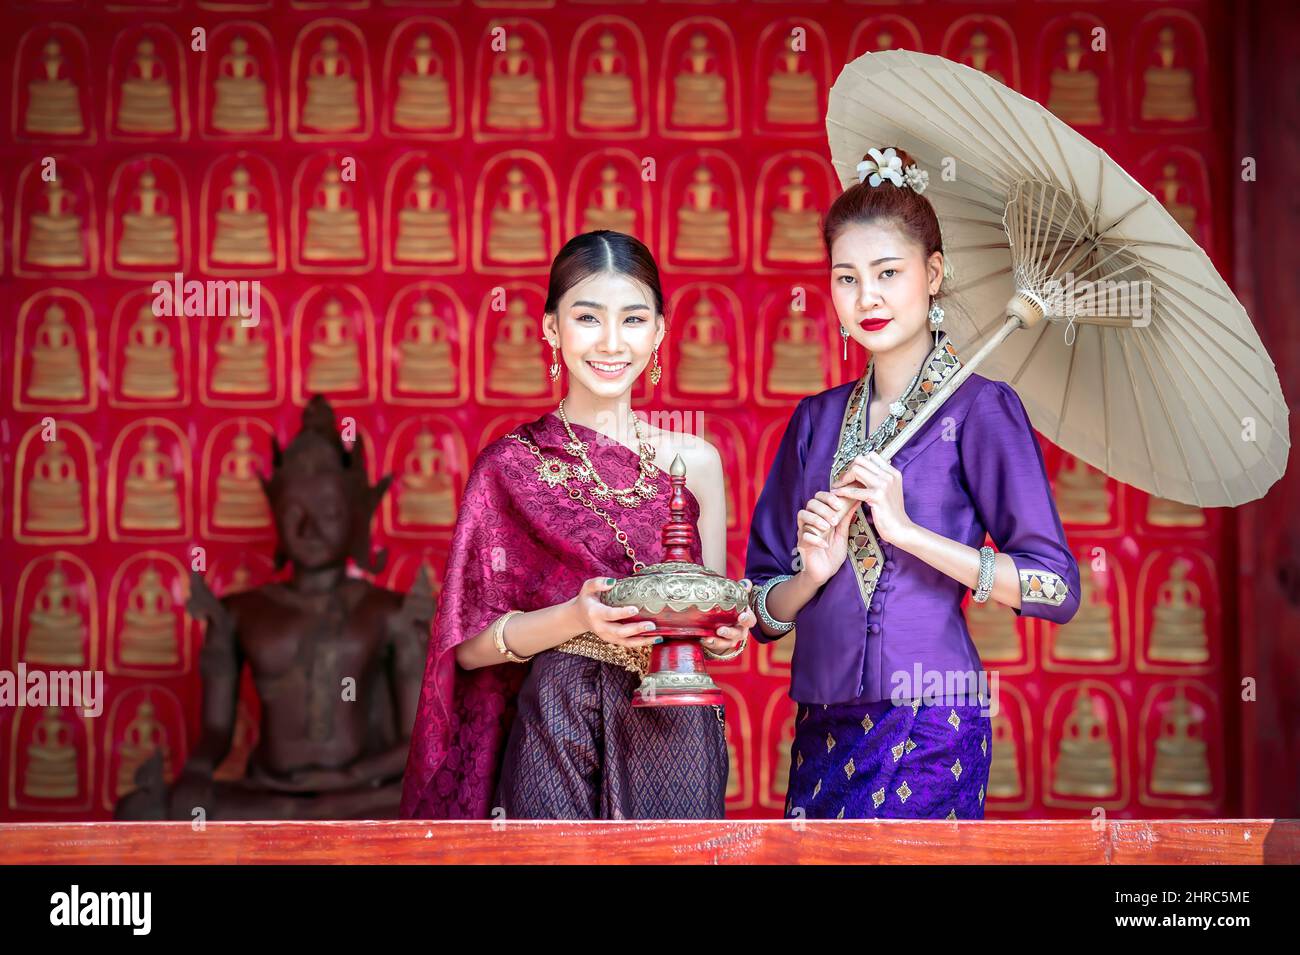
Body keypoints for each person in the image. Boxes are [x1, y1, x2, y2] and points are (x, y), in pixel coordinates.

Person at [745, 146, 1080, 820]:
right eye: (846, 278)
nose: (865, 297)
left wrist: (907, 532)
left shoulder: (981, 408)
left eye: (887, 273)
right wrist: (811, 576)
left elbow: (1057, 587)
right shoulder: (814, 422)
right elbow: (759, 608)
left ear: (932, 273)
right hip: (822, 723)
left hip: (934, 724)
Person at [401, 230, 756, 819]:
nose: (612, 343)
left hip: (676, 720)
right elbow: (464, 650)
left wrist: (727, 632)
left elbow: (706, 617)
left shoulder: (694, 462)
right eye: (587, 317)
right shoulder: (510, 465)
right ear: (551, 329)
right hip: (558, 714)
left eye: (634, 319)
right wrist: (574, 618)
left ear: (660, 331)